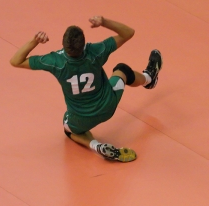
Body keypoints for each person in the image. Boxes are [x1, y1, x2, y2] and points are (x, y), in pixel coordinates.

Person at [10, 16, 162, 162]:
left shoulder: (55, 61)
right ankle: (149, 79)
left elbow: (15, 61)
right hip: (108, 105)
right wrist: (104, 22)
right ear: (83, 44)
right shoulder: (95, 51)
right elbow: (128, 32)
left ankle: (96, 146)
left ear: (63, 44)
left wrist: (34, 41)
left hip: (81, 119)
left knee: (68, 129)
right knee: (122, 70)